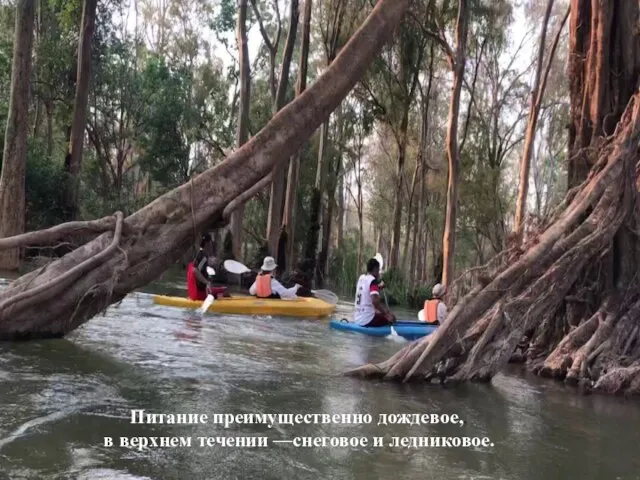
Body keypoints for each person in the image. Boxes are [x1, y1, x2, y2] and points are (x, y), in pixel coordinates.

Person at [353, 258, 396, 327]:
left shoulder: (361, 278)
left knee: (377, 312)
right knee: (393, 318)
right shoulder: (373, 281)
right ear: (375, 269)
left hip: (357, 318)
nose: (379, 273)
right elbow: (375, 303)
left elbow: (366, 290)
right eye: (378, 270)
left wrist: (378, 287)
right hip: (367, 320)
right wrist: (387, 314)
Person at [187, 233, 228, 301]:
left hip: (201, 292)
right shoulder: (203, 256)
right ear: (208, 244)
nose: (211, 245)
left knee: (223, 291)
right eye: (210, 243)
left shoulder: (201, 254)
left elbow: (199, 267)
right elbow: (195, 270)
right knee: (225, 291)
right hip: (200, 294)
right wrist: (207, 282)